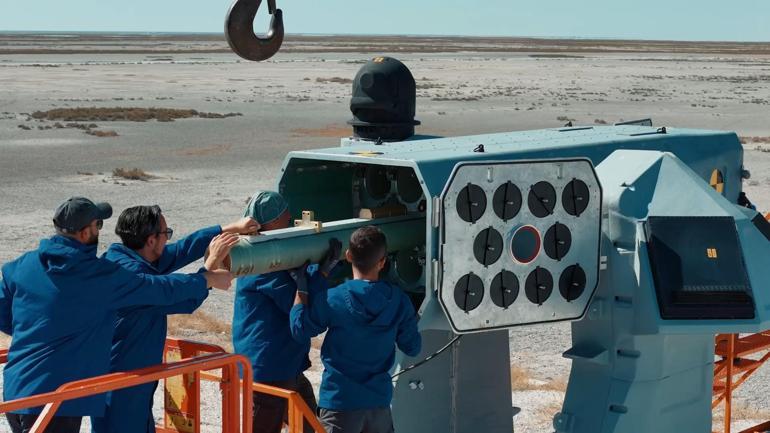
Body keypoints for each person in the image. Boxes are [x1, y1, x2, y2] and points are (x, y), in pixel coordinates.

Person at [0, 197, 232, 433]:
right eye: (97, 225)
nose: (100, 230)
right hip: (56, 399)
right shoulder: (99, 276)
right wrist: (207, 278)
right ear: (84, 233)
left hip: (16, 393)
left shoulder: (22, 265)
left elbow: (4, 316)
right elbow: (158, 289)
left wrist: (47, 333)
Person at [91, 205, 260, 433]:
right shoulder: (134, 279)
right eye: (165, 233)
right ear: (151, 240)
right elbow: (182, 299)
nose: (168, 239)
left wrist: (228, 228)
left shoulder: (125, 258)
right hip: (123, 382)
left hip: (131, 378)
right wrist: (209, 271)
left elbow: (182, 249)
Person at [290, 226, 422, 433]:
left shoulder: (333, 298)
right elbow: (413, 347)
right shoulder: (399, 301)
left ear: (348, 256)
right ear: (382, 262)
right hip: (378, 405)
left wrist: (301, 289)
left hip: (340, 403)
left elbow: (300, 329)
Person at [233, 191, 330, 433]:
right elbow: (297, 308)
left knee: (310, 427)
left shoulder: (267, 254)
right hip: (270, 370)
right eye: (283, 213)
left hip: (285, 365)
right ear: (272, 221)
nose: (289, 215)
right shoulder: (262, 264)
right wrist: (318, 276)